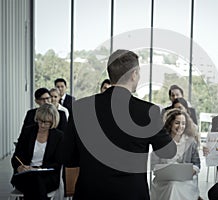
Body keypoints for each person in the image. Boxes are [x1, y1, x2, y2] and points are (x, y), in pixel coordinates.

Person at [62, 49, 176, 199]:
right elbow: (168, 151)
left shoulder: (79, 108)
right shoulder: (148, 111)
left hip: (90, 193)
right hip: (131, 194)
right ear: (134, 74)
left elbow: (68, 158)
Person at [11, 103, 64, 200]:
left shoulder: (59, 136)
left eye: (46, 122)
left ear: (53, 121)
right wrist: (19, 167)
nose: (42, 125)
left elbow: (57, 163)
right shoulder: (28, 132)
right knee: (34, 181)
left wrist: (38, 169)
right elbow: (16, 156)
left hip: (47, 177)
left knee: (37, 181)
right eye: (40, 121)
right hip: (25, 175)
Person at [151, 108, 200, 200]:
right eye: (177, 123)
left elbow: (197, 163)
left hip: (185, 180)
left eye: (183, 123)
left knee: (174, 185)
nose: (180, 126)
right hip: (164, 181)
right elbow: (153, 165)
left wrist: (192, 170)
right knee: (172, 185)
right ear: (170, 123)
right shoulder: (161, 141)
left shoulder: (191, 142)